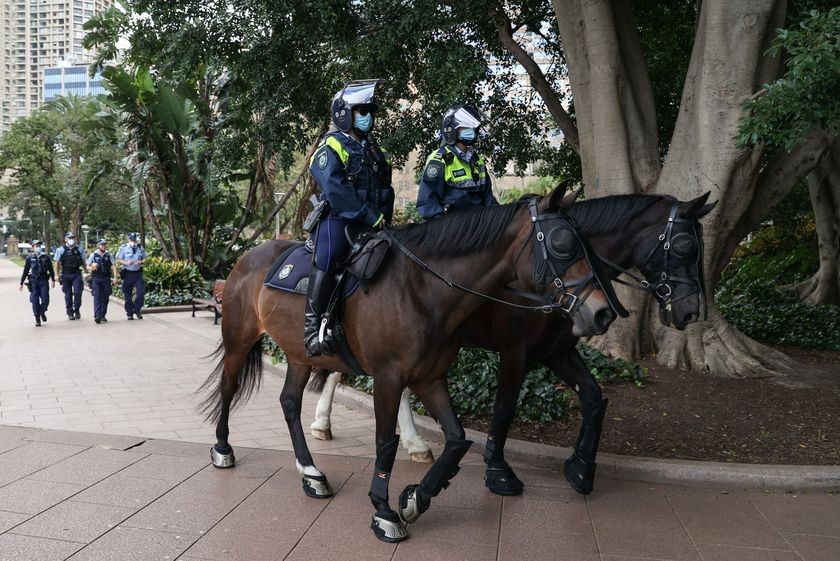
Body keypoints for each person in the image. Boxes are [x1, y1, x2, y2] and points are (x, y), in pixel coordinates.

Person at [305, 79, 394, 356]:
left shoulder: (371, 149)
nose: (368, 117)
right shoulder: (330, 146)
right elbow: (336, 189)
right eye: (361, 111)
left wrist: (384, 218)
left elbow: (385, 188)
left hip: (373, 221)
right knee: (329, 257)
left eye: (369, 111)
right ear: (343, 114)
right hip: (339, 219)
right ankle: (312, 330)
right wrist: (369, 215)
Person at [416, 104, 498, 220]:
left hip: (479, 227)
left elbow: (487, 197)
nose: (472, 132)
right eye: (466, 128)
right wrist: (443, 224)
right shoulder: (440, 159)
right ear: (452, 130)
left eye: (473, 129)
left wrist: (498, 217)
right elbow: (427, 203)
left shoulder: (478, 161)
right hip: (452, 229)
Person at [19, 240, 56, 326]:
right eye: (36, 246)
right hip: (34, 281)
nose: (38, 247)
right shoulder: (29, 258)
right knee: (34, 300)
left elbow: (50, 269)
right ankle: (37, 318)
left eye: (39, 245)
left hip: (43, 280)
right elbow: (26, 271)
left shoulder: (46, 257)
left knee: (45, 299)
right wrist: (21, 283)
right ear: (32, 247)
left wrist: (53, 280)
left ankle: (42, 311)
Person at [53, 232, 87, 320]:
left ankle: (77, 309)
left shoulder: (79, 249)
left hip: (76, 274)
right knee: (68, 295)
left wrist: (86, 272)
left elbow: (83, 261)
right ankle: (70, 312)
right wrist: (56, 275)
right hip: (65, 274)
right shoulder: (61, 250)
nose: (71, 239)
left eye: (72, 238)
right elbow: (56, 263)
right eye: (69, 238)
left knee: (78, 292)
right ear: (65, 239)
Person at [115, 233, 147, 320]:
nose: (133, 240)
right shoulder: (124, 247)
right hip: (127, 273)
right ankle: (129, 313)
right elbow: (118, 259)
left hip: (137, 273)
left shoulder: (140, 247)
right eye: (131, 239)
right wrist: (126, 263)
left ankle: (137, 309)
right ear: (128, 239)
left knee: (141, 293)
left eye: (134, 239)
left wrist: (141, 262)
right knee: (127, 295)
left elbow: (145, 258)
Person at [87, 239, 117, 324]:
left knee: (105, 297)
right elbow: (87, 266)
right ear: (98, 245)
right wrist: (92, 268)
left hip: (106, 278)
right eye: (102, 245)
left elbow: (114, 266)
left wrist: (115, 277)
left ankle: (103, 315)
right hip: (96, 278)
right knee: (97, 296)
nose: (103, 246)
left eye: (105, 245)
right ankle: (97, 316)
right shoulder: (93, 255)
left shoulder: (109, 255)